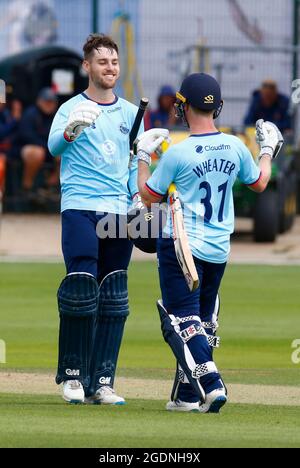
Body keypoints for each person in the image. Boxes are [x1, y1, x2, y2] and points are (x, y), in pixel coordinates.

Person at [136, 73, 283, 413]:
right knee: (202, 320)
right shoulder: (234, 146)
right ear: (217, 107)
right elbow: (260, 182)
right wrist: (265, 150)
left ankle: (211, 382)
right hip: (219, 249)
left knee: (181, 319)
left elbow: (147, 195)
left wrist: (142, 156)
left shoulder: (177, 152)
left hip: (181, 245)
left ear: (183, 106)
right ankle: (186, 397)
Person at [48, 33, 144, 405]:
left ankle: (102, 381)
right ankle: (72, 377)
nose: (110, 69)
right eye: (102, 62)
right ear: (86, 66)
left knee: (114, 295)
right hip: (80, 205)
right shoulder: (71, 107)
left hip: (120, 210)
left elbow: (135, 160)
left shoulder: (132, 112)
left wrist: (138, 195)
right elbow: (53, 147)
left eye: (114, 62)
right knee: (81, 286)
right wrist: (72, 131)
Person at [12, 88, 59, 197]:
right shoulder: (31, 113)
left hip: (48, 149)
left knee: (66, 153)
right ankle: (27, 187)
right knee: (37, 152)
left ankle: (49, 186)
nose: (49, 104)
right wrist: (48, 147)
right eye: (46, 101)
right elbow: (25, 135)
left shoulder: (57, 116)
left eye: (51, 102)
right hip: (25, 149)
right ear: (39, 101)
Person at [0, 98, 23, 197]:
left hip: (10, 151)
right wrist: (15, 119)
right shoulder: (11, 116)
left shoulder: (6, 113)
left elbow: (20, 133)